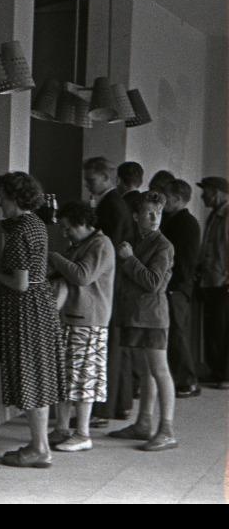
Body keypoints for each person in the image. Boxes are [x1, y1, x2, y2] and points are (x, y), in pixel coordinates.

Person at [0, 172, 66, 468]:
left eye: (2, 196)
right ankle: (38, 444)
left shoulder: (19, 234)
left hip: (25, 311)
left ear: (14, 198)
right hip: (39, 308)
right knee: (39, 374)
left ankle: (39, 448)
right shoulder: (33, 223)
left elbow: (20, 283)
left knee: (31, 375)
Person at [108, 191, 177, 451]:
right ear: (136, 216)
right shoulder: (137, 240)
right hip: (138, 316)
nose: (154, 217)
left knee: (159, 370)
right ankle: (144, 422)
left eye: (158, 213)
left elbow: (153, 282)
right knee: (146, 371)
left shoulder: (163, 245)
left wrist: (129, 259)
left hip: (154, 317)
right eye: (149, 213)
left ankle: (167, 429)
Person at [48, 202, 116, 452]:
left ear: (83, 224)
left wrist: (54, 257)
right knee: (66, 376)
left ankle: (83, 433)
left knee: (83, 378)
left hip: (89, 321)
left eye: (68, 228)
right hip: (72, 318)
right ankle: (62, 428)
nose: (65, 233)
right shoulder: (81, 245)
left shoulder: (101, 244)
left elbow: (82, 276)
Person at [83, 157, 135, 426]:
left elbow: (106, 249)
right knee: (115, 344)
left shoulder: (112, 206)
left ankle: (104, 408)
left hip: (110, 284)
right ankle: (119, 404)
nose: (87, 184)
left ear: (106, 178)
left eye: (91, 180)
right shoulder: (112, 203)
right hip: (116, 284)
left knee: (109, 345)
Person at [161, 180, 202, 398]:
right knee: (175, 333)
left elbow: (185, 260)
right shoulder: (178, 221)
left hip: (177, 287)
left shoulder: (185, 223)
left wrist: (174, 287)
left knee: (177, 333)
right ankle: (183, 379)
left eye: (167, 196)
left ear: (177, 199)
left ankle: (187, 380)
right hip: (177, 286)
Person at [195, 177, 229, 389]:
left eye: (205, 191)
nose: (202, 196)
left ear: (216, 192)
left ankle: (225, 374)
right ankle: (217, 371)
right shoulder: (215, 216)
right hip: (212, 280)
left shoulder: (226, 215)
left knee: (223, 328)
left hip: (222, 281)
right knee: (214, 328)